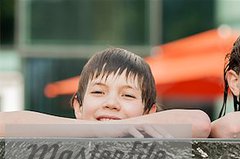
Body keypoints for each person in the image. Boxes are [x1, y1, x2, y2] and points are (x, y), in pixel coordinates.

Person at [0, 48, 211, 138]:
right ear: (78, 107)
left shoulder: (156, 138)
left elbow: (199, 124)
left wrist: (113, 129)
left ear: (150, 112)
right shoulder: (65, 138)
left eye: (127, 95)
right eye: (99, 92)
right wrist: (93, 129)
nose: (111, 103)